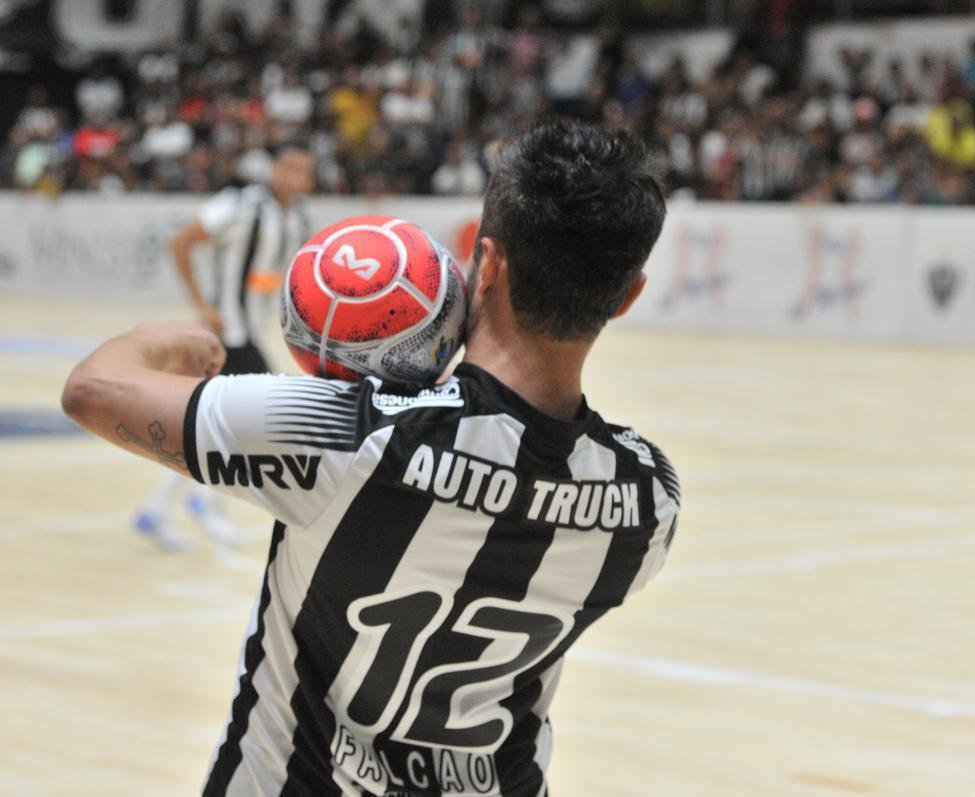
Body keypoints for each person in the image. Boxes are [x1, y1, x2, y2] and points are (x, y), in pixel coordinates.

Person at [61, 120, 678, 796]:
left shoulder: (354, 434)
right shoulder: (648, 503)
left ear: (489, 264)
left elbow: (93, 389)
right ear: (628, 295)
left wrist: (159, 338)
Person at [133, 144, 315, 551]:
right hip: (229, 334)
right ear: (273, 168)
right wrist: (203, 305)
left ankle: (169, 507)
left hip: (253, 331)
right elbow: (181, 242)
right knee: (248, 419)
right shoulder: (240, 204)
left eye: (302, 170)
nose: (292, 175)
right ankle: (198, 503)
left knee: (219, 425)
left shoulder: (297, 217)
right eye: (286, 165)